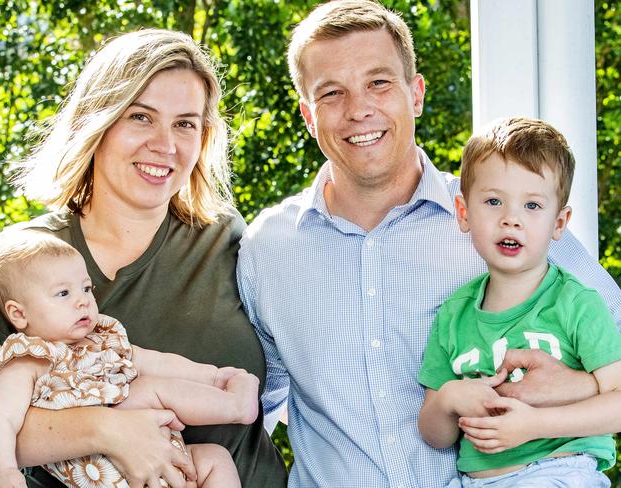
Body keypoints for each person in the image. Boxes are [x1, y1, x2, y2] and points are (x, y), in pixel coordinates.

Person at [236, 1, 621, 487]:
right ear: (308, 116)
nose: (359, 110)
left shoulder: (507, 222)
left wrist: (580, 386)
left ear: (415, 94)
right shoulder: (266, 249)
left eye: (379, 82)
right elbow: (251, 409)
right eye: (332, 93)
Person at [0, 29, 288, 488]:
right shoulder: (23, 260)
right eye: (141, 117)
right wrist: (107, 429)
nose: (165, 144)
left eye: (185, 123)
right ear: (98, 122)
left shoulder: (228, 240)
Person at [418, 117, 621, 487]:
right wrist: (448, 398)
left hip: (558, 473)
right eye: (494, 201)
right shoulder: (454, 315)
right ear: (464, 213)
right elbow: (436, 435)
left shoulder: (576, 304)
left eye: (532, 206)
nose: (511, 219)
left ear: (559, 223)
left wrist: (534, 425)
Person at [0, 229, 260, 488]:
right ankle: (234, 405)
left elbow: (157, 361)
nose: (83, 301)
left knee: (214, 459)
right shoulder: (27, 359)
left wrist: (213, 376)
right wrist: (4, 472)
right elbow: (1, 418)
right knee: (151, 388)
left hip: (169, 457)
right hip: (106, 465)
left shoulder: (102, 338)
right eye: (63, 293)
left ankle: (228, 399)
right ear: (19, 314)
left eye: (86, 288)